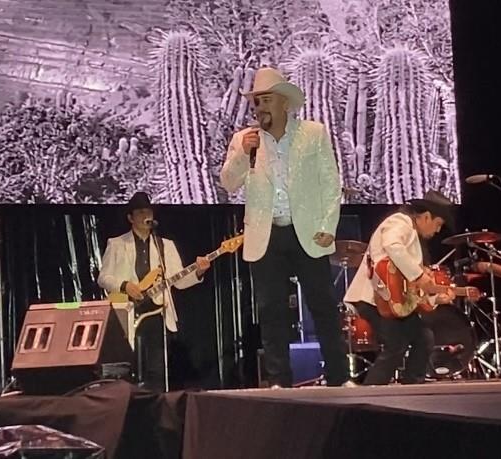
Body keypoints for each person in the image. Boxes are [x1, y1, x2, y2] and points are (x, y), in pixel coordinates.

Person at [220, 67, 351, 388]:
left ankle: (339, 376)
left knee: (322, 305)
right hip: (266, 234)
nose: (259, 107)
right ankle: (279, 380)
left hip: (306, 231)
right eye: (256, 102)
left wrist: (328, 225)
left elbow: (331, 183)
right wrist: (242, 153)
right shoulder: (244, 139)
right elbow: (228, 183)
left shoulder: (313, 133)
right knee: (271, 309)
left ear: (283, 103)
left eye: (265, 100)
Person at [98, 192, 211, 392]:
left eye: (148, 211)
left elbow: (178, 281)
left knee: (157, 368)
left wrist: (199, 271)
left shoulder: (164, 246)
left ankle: (157, 405)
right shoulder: (116, 244)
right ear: (130, 218)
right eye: (140, 212)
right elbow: (103, 278)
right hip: (128, 310)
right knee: (128, 366)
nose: (145, 215)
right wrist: (125, 285)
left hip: (157, 313)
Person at [343, 190, 457, 385]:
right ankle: (370, 396)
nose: (437, 231)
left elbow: (409, 286)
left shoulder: (412, 237)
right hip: (375, 297)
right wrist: (420, 275)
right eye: (438, 224)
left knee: (423, 338)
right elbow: (392, 245)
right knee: (396, 346)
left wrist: (435, 297)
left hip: (391, 299)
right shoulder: (400, 222)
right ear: (426, 216)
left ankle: (412, 386)